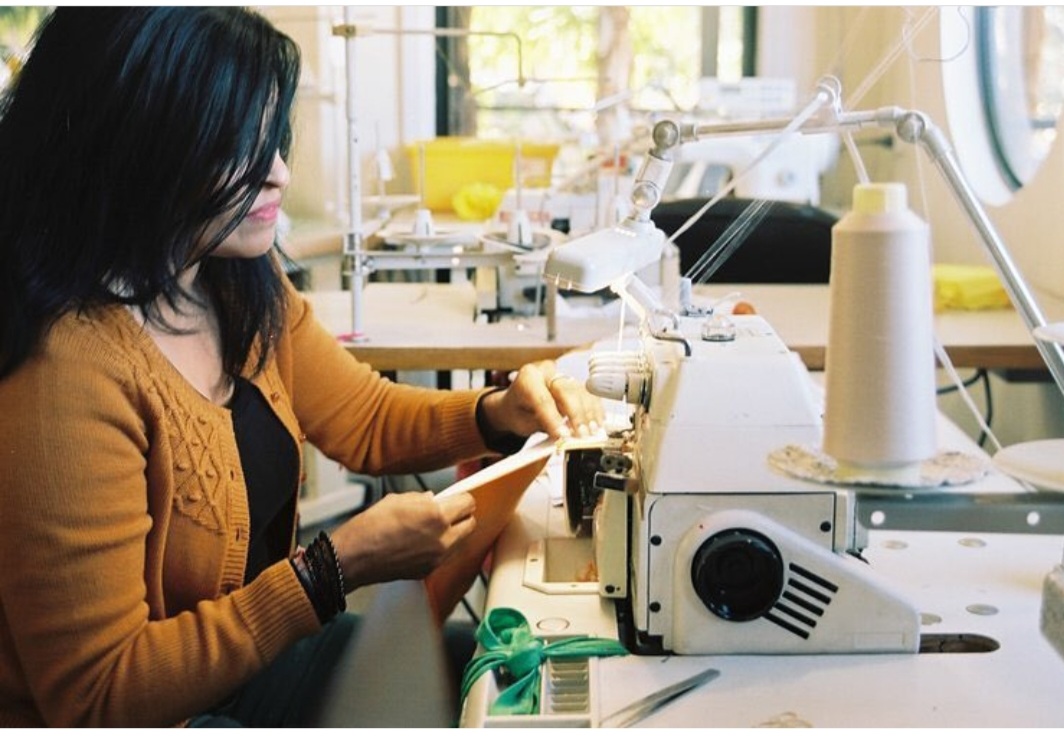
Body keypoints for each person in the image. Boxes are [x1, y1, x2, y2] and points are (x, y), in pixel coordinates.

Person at [0, 7, 603, 728]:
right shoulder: (62, 375)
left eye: (273, 139)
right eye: (239, 149)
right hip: (157, 712)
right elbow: (99, 697)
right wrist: (329, 571)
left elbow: (368, 419)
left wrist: (492, 414)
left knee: (522, 681)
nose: (279, 173)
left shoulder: (228, 280)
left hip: (243, 669)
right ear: (134, 148)